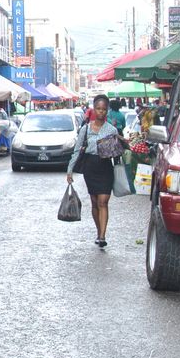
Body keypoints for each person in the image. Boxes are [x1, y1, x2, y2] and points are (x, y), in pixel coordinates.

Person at [66, 94, 127, 248]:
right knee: (94, 202)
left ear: (107, 111)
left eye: (104, 109)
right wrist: (70, 170)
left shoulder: (111, 129)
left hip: (105, 166)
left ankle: (102, 235)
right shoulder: (85, 129)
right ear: (94, 109)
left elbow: (118, 150)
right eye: (98, 109)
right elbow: (77, 150)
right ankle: (98, 230)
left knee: (103, 201)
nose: (101, 112)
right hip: (90, 167)